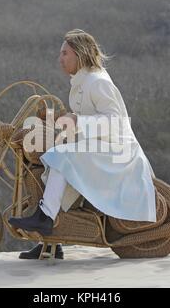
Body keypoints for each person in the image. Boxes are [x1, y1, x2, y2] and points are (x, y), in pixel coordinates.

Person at [9, 29, 157, 260]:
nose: (60, 58)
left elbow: (115, 123)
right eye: (61, 54)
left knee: (62, 157)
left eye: (65, 53)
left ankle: (46, 218)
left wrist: (78, 121)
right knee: (51, 162)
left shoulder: (97, 82)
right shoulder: (79, 83)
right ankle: (50, 242)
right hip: (99, 146)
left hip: (118, 151)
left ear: (80, 54)